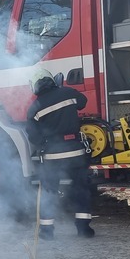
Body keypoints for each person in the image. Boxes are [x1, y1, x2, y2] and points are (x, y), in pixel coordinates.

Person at [25, 67, 94, 239]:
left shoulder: (34, 108)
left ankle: (47, 231)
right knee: (81, 189)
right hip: (76, 152)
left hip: (53, 156)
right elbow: (83, 102)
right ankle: (84, 229)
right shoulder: (68, 92)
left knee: (49, 192)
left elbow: (33, 136)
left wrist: (44, 144)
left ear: (34, 86)